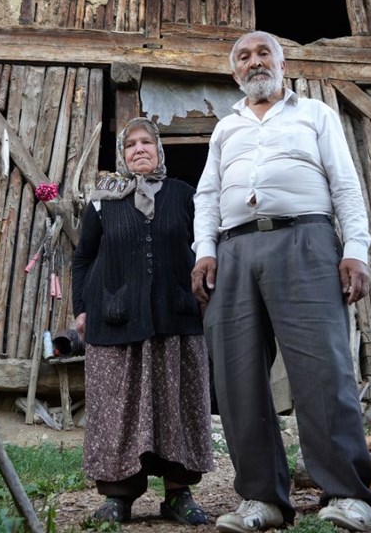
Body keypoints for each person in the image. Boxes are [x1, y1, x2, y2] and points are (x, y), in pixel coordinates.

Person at [191, 31, 371, 532]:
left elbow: (345, 183)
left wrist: (355, 249)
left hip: (306, 242)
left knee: (323, 369)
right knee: (237, 378)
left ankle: (347, 494)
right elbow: (207, 195)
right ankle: (263, 500)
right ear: (235, 72)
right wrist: (205, 251)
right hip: (233, 251)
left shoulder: (314, 114)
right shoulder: (224, 128)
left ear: (283, 61)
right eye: (243, 57)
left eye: (263, 53)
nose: (254, 63)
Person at [71, 117, 215, 525]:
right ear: (122, 154)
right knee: (119, 410)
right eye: (130, 144)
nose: (138, 149)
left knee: (176, 406)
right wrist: (81, 307)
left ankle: (177, 493)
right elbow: (83, 258)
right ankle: (119, 496)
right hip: (115, 319)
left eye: (146, 142)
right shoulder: (104, 200)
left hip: (176, 317)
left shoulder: (185, 196)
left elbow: (205, 245)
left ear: (158, 149)